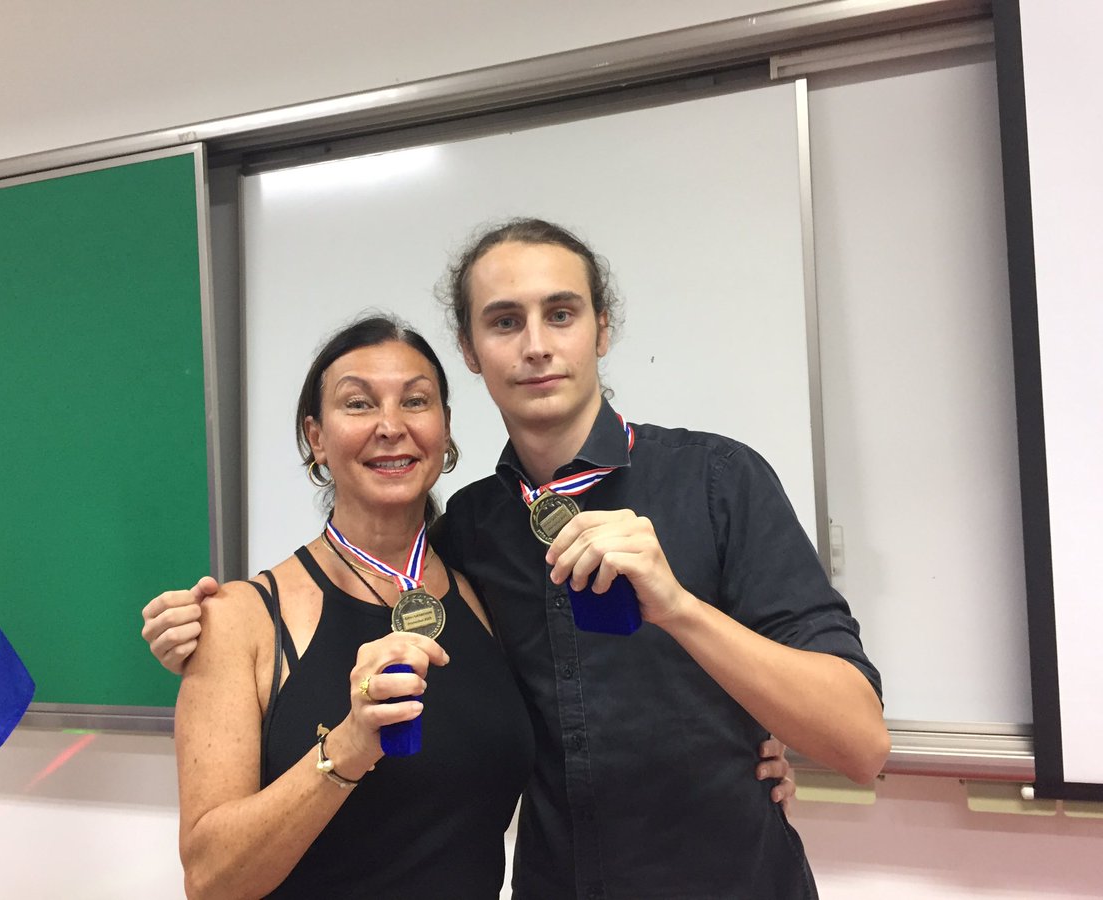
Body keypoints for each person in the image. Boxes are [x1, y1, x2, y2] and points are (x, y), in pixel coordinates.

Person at [148, 219, 883, 898]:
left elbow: (860, 743)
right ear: (471, 350)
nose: (535, 345)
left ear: (602, 328)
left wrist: (683, 612)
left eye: (561, 314)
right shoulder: (471, 535)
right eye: (504, 321)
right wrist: (200, 628)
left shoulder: (719, 482)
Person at [172, 317, 535, 899]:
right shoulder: (240, 619)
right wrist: (349, 745)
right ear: (316, 438)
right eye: (359, 404)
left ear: (444, 428)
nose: (391, 427)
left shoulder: (486, 590)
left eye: (415, 401)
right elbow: (210, 880)